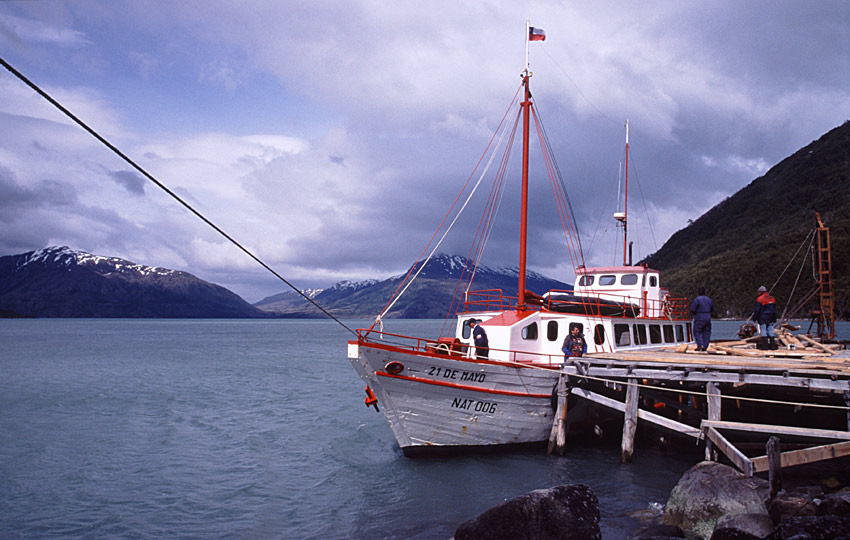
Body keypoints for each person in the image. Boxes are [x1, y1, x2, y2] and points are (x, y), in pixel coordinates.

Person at [688, 286, 714, 351]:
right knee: (707, 332)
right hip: (707, 316)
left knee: (697, 331)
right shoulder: (709, 299)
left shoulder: (697, 299)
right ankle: (705, 346)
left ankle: (700, 345)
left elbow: (692, 309)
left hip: (699, 316)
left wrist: (694, 314)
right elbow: (712, 309)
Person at [753, 285, 778, 350]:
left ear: (761, 292)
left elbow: (757, 310)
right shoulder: (772, 298)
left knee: (763, 330)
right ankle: (773, 346)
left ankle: (765, 346)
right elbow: (774, 309)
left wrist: (755, 317)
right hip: (771, 317)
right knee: (770, 331)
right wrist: (774, 318)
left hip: (763, 317)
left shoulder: (760, 299)